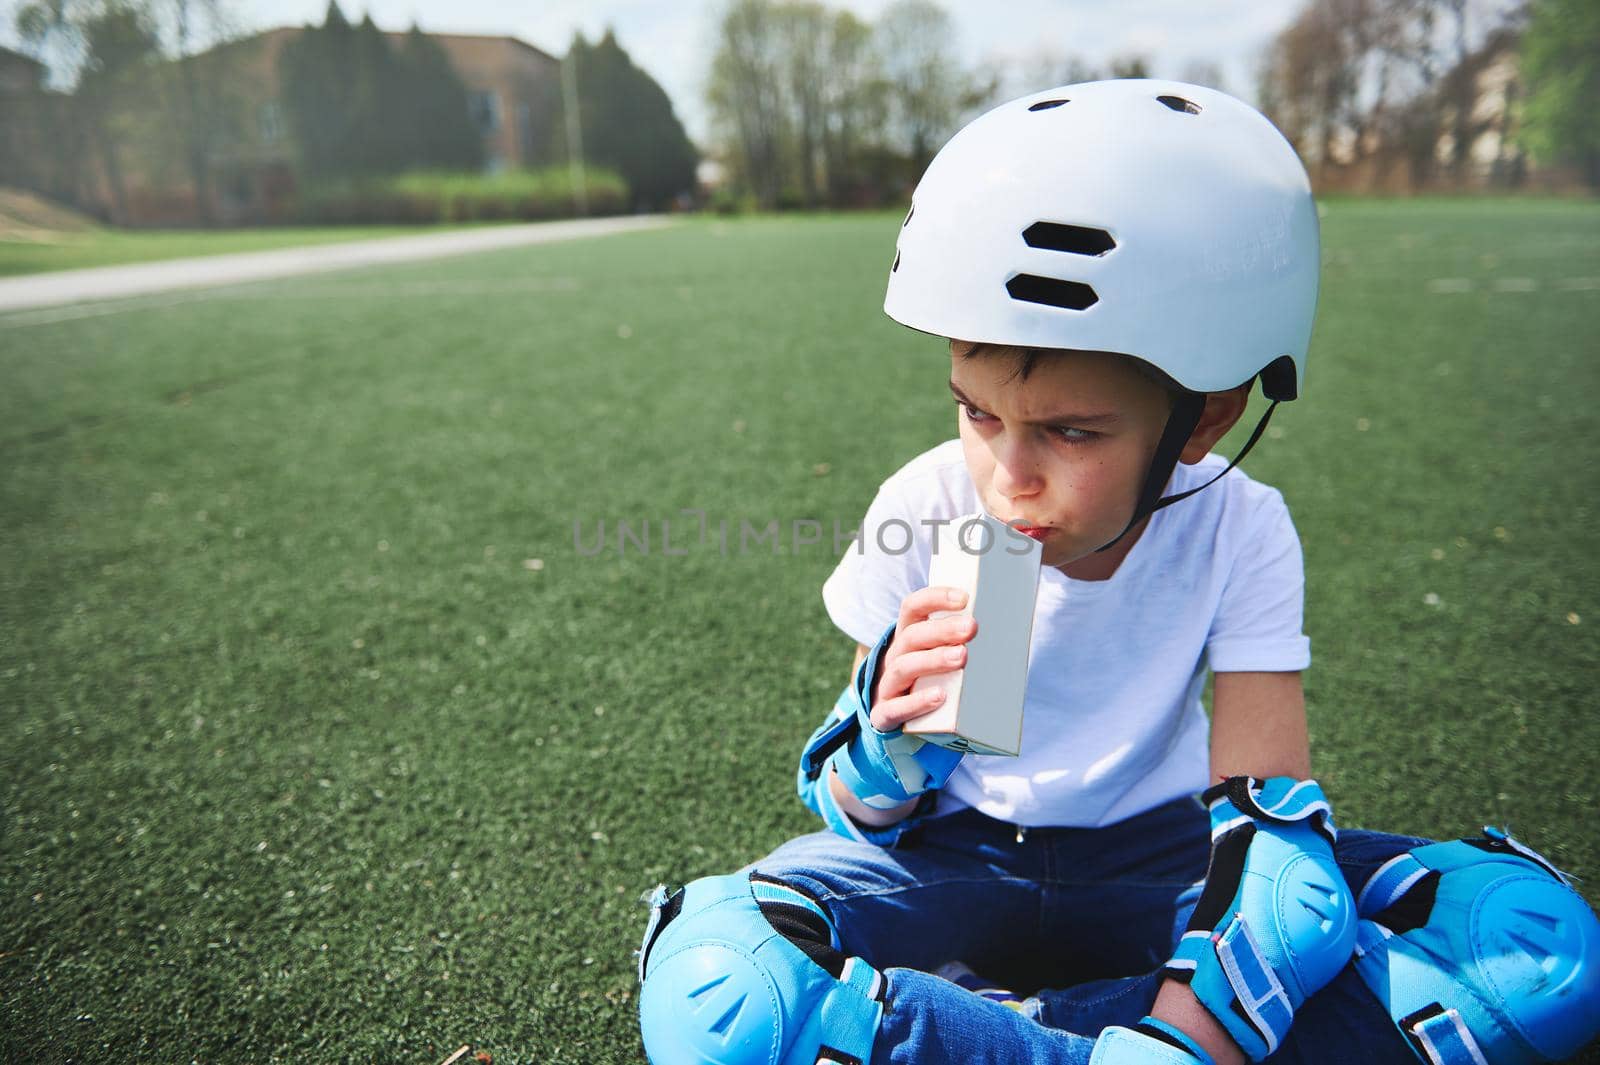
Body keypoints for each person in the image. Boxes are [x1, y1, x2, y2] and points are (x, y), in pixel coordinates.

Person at [634, 80, 1600, 1065]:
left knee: (1530, 948)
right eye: (976, 413)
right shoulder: (922, 505)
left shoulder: (1241, 526)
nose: (1008, 480)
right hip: (956, 860)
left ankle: (997, 1034)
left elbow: (1272, 842)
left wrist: (1187, 1037)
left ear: (1206, 415)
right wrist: (886, 747)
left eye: (1069, 430)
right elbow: (856, 814)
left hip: (1164, 863)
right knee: (722, 993)